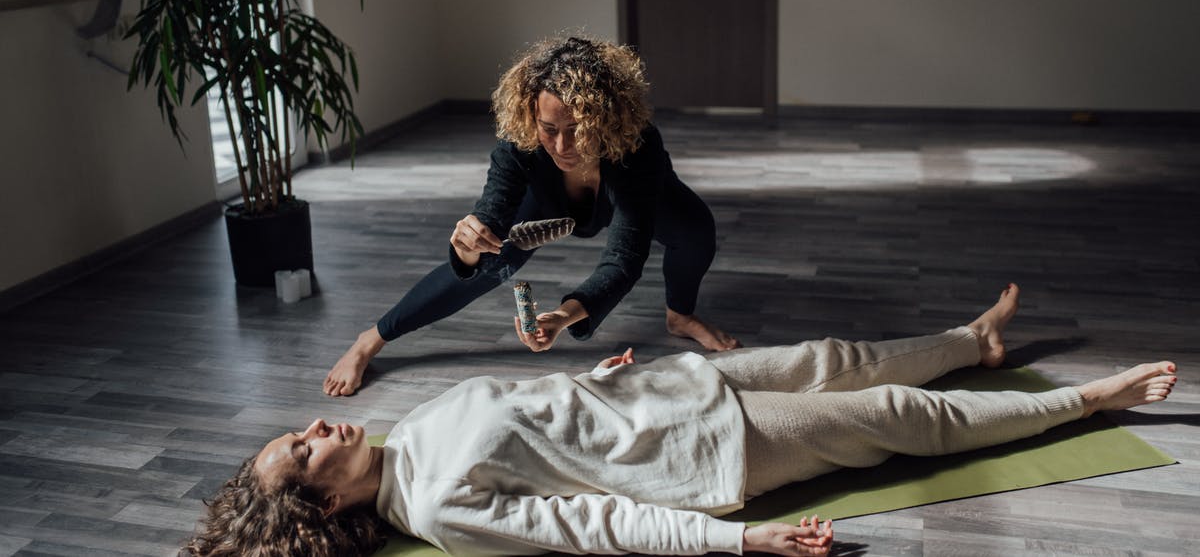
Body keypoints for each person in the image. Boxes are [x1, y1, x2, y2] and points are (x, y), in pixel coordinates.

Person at [188, 284, 1177, 556]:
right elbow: (597, 526)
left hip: (664, 388)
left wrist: (604, 374)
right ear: (318, 502)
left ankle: (975, 341)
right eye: (304, 448)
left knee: (845, 359)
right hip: (714, 451)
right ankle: (1090, 402)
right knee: (893, 414)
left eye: (305, 429)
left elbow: (537, 414)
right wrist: (739, 545)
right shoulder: (441, 508)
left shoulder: (403, 436)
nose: (320, 429)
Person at [324, 35, 740, 397]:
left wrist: (563, 316)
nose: (563, 145)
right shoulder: (519, 143)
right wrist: (469, 248)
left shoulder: (638, 145)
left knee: (698, 230)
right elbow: (491, 214)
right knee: (490, 261)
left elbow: (625, 259)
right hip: (548, 203)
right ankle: (371, 339)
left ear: (606, 118)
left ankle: (680, 315)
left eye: (578, 127)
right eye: (549, 129)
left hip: (634, 192)